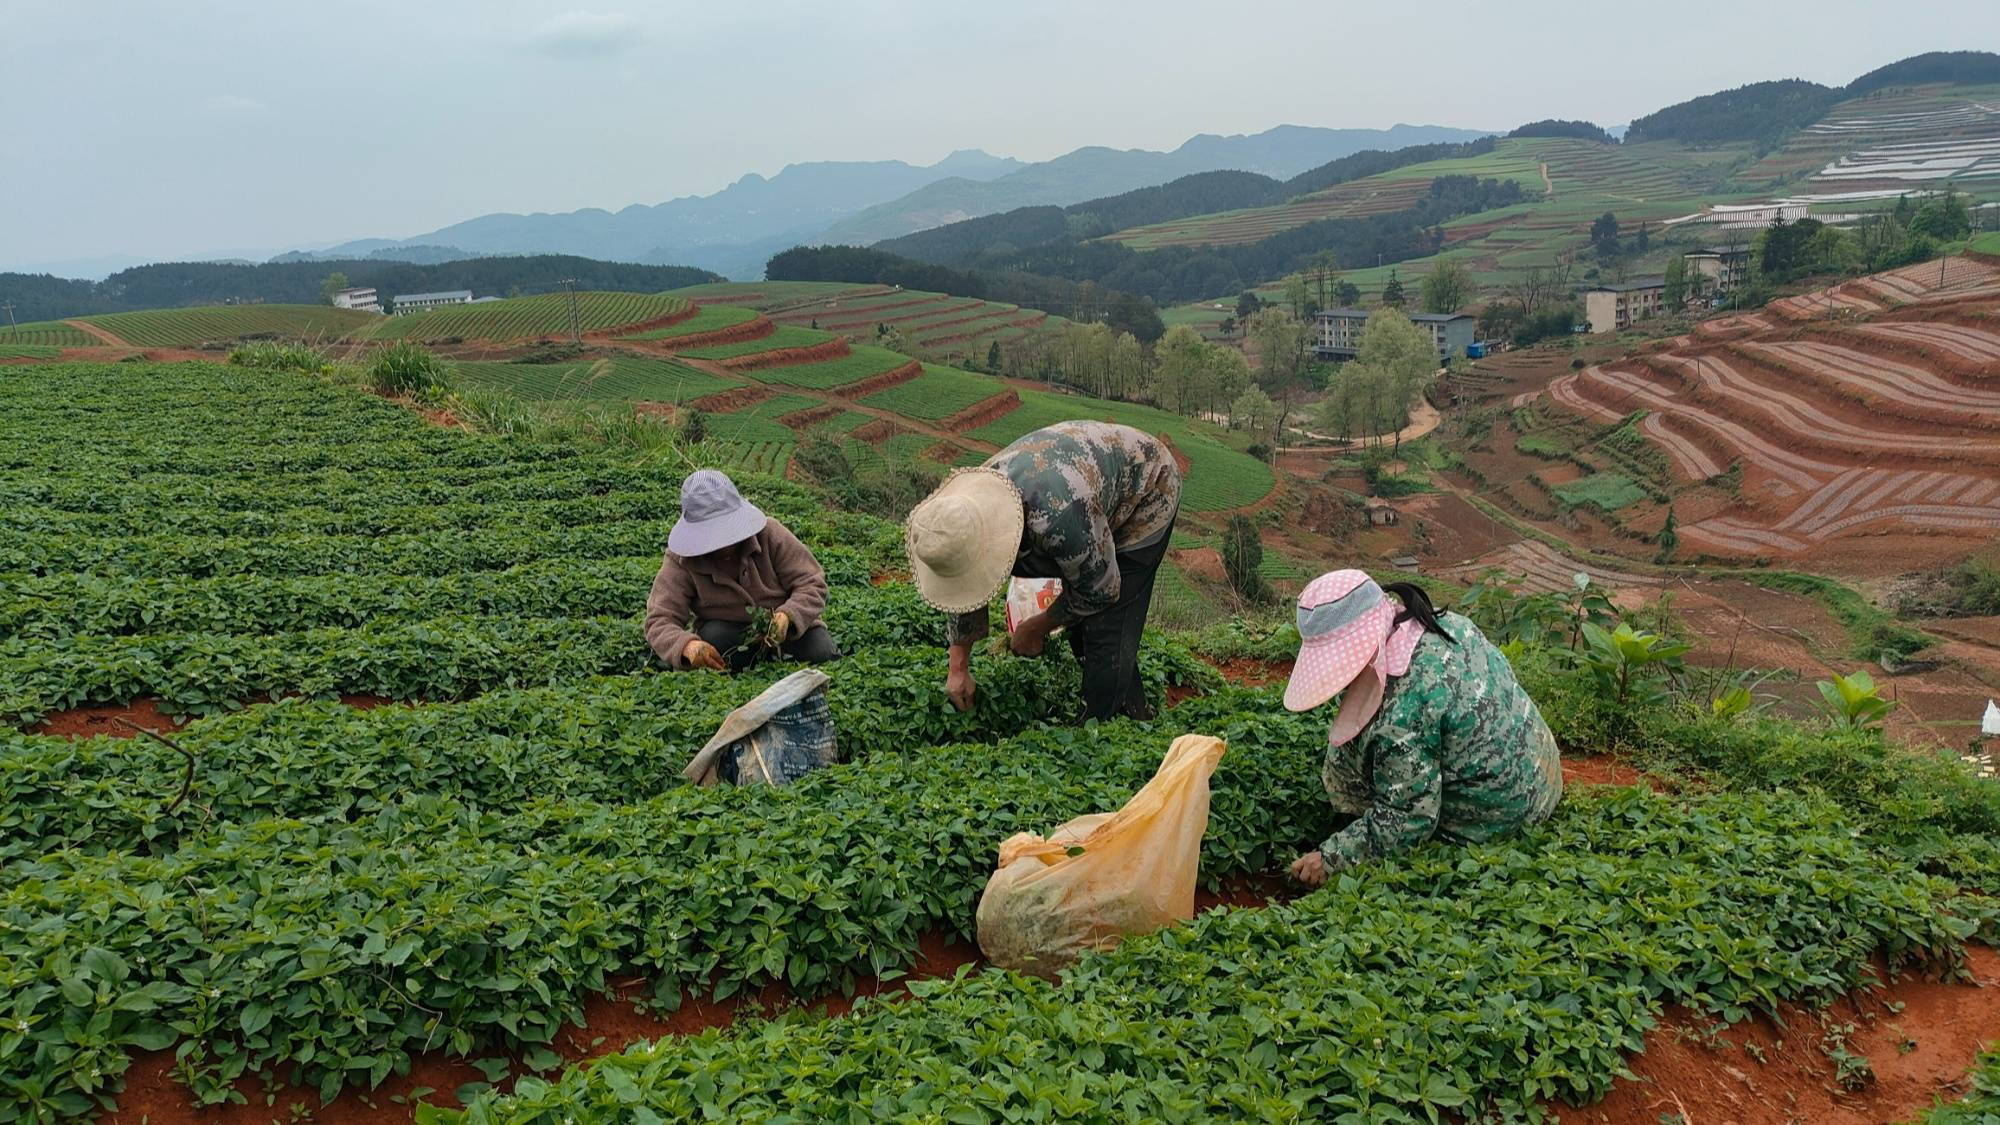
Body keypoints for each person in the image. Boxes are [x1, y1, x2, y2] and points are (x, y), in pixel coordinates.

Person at [1279, 570, 1563, 887]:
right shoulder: (1443, 623)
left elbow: (1409, 820)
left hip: (1500, 816)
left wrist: (1332, 858)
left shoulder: (1403, 714)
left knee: (1397, 818)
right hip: (1543, 778)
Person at [904, 420, 1181, 722]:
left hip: (1148, 487)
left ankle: (1108, 727)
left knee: (1107, 625)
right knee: (1083, 605)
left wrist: (1035, 627)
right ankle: (1128, 701)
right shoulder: (964, 511)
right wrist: (958, 667)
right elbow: (964, 580)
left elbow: (1101, 590)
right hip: (1080, 489)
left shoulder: (1057, 517)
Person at [644, 469, 837, 672]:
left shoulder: (770, 534)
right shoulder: (682, 559)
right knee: (715, 637)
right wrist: (686, 646)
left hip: (788, 632)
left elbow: (812, 583)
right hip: (729, 637)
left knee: (821, 652)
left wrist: (788, 615)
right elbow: (659, 619)